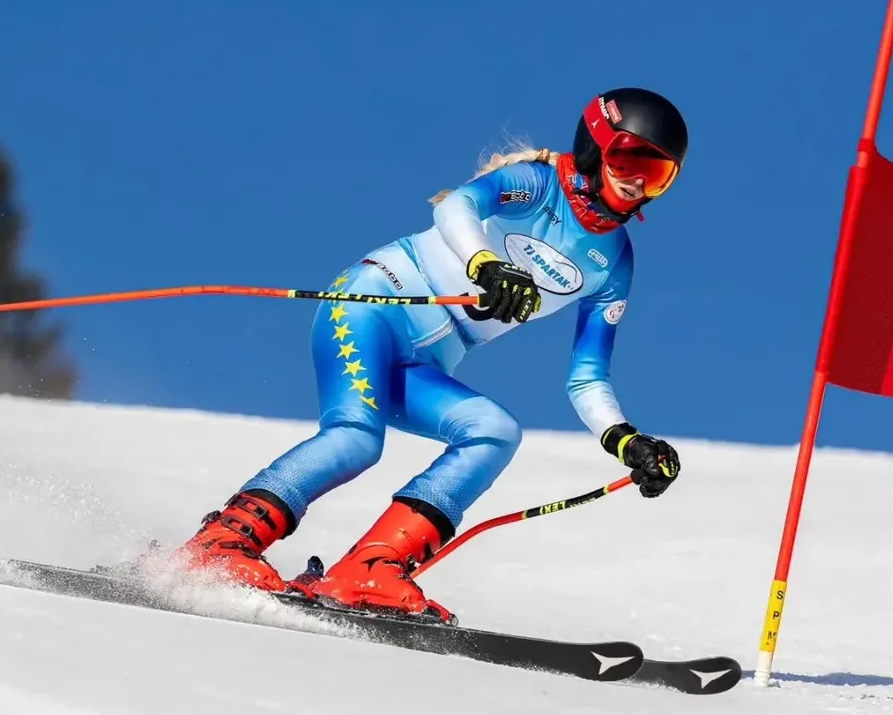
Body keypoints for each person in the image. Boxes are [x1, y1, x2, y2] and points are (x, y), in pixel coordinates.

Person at [175, 87, 688, 622]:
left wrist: (626, 439)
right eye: (629, 158)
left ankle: (372, 566)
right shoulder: (537, 183)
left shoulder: (613, 263)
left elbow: (587, 377)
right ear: (596, 146)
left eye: (658, 175)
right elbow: (457, 206)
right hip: (373, 303)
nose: (636, 180)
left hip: (426, 361)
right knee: (354, 439)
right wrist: (485, 264)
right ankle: (220, 544)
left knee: (494, 430)